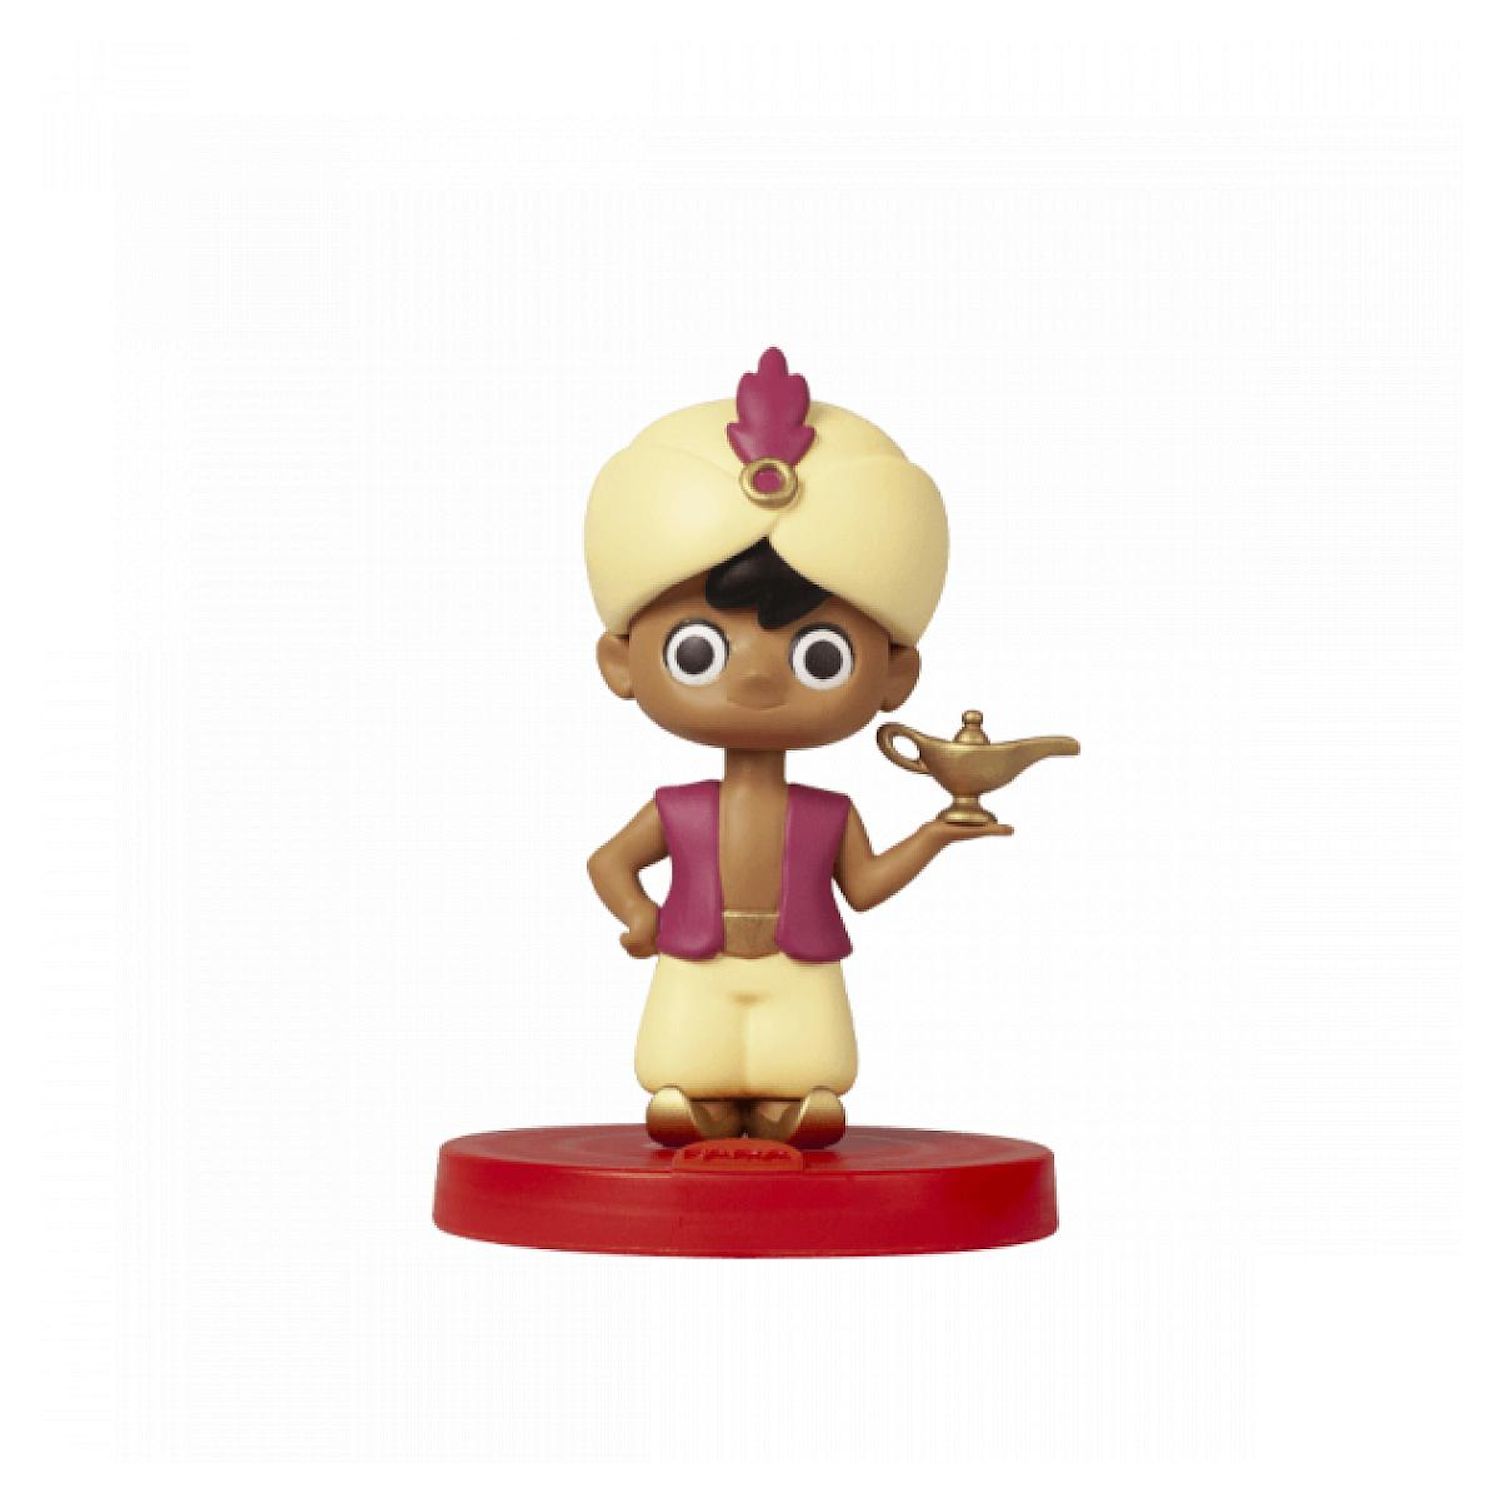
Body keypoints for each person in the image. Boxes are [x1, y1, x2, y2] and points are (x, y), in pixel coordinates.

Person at [584, 349, 1004, 1148]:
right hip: (696, 958)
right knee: (685, 1054)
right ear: (620, 663)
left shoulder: (827, 815)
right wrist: (639, 914)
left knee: (807, 1058)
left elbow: (864, 887)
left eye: (820, 656)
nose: (756, 675)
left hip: (798, 963)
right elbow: (609, 862)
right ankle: (700, 1104)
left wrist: (935, 834)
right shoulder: (678, 810)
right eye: (699, 651)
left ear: (895, 676)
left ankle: (785, 1107)